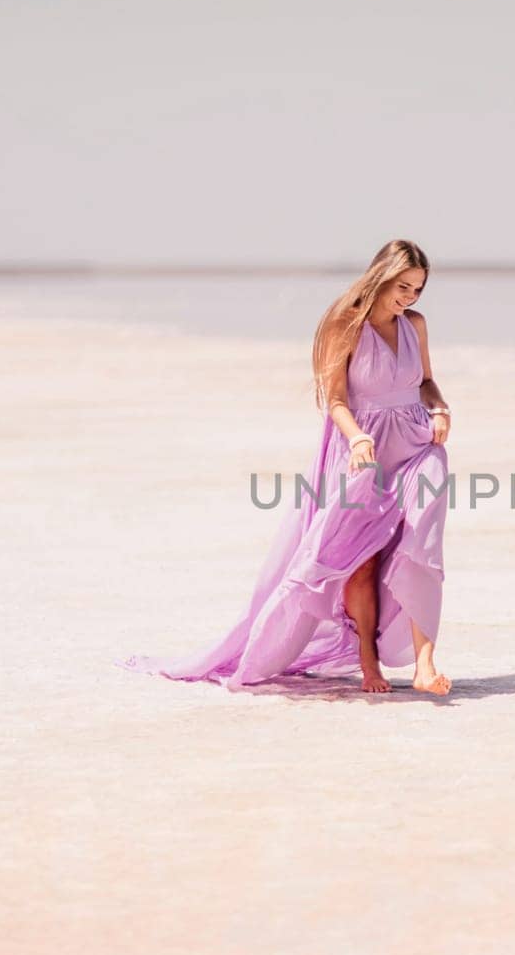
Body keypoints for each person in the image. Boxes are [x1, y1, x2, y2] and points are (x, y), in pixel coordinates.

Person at [115, 239, 453, 694]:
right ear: (381, 276)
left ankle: (425, 665)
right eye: (403, 286)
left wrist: (440, 409)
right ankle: (368, 661)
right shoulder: (344, 326)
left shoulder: (415, 325)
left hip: (414, 444)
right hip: (363, 449)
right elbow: (334, 399)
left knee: (422, 540)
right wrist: (356, 437)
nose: (410, 298)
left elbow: (427, 382)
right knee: (358, 561)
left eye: (417, 290)